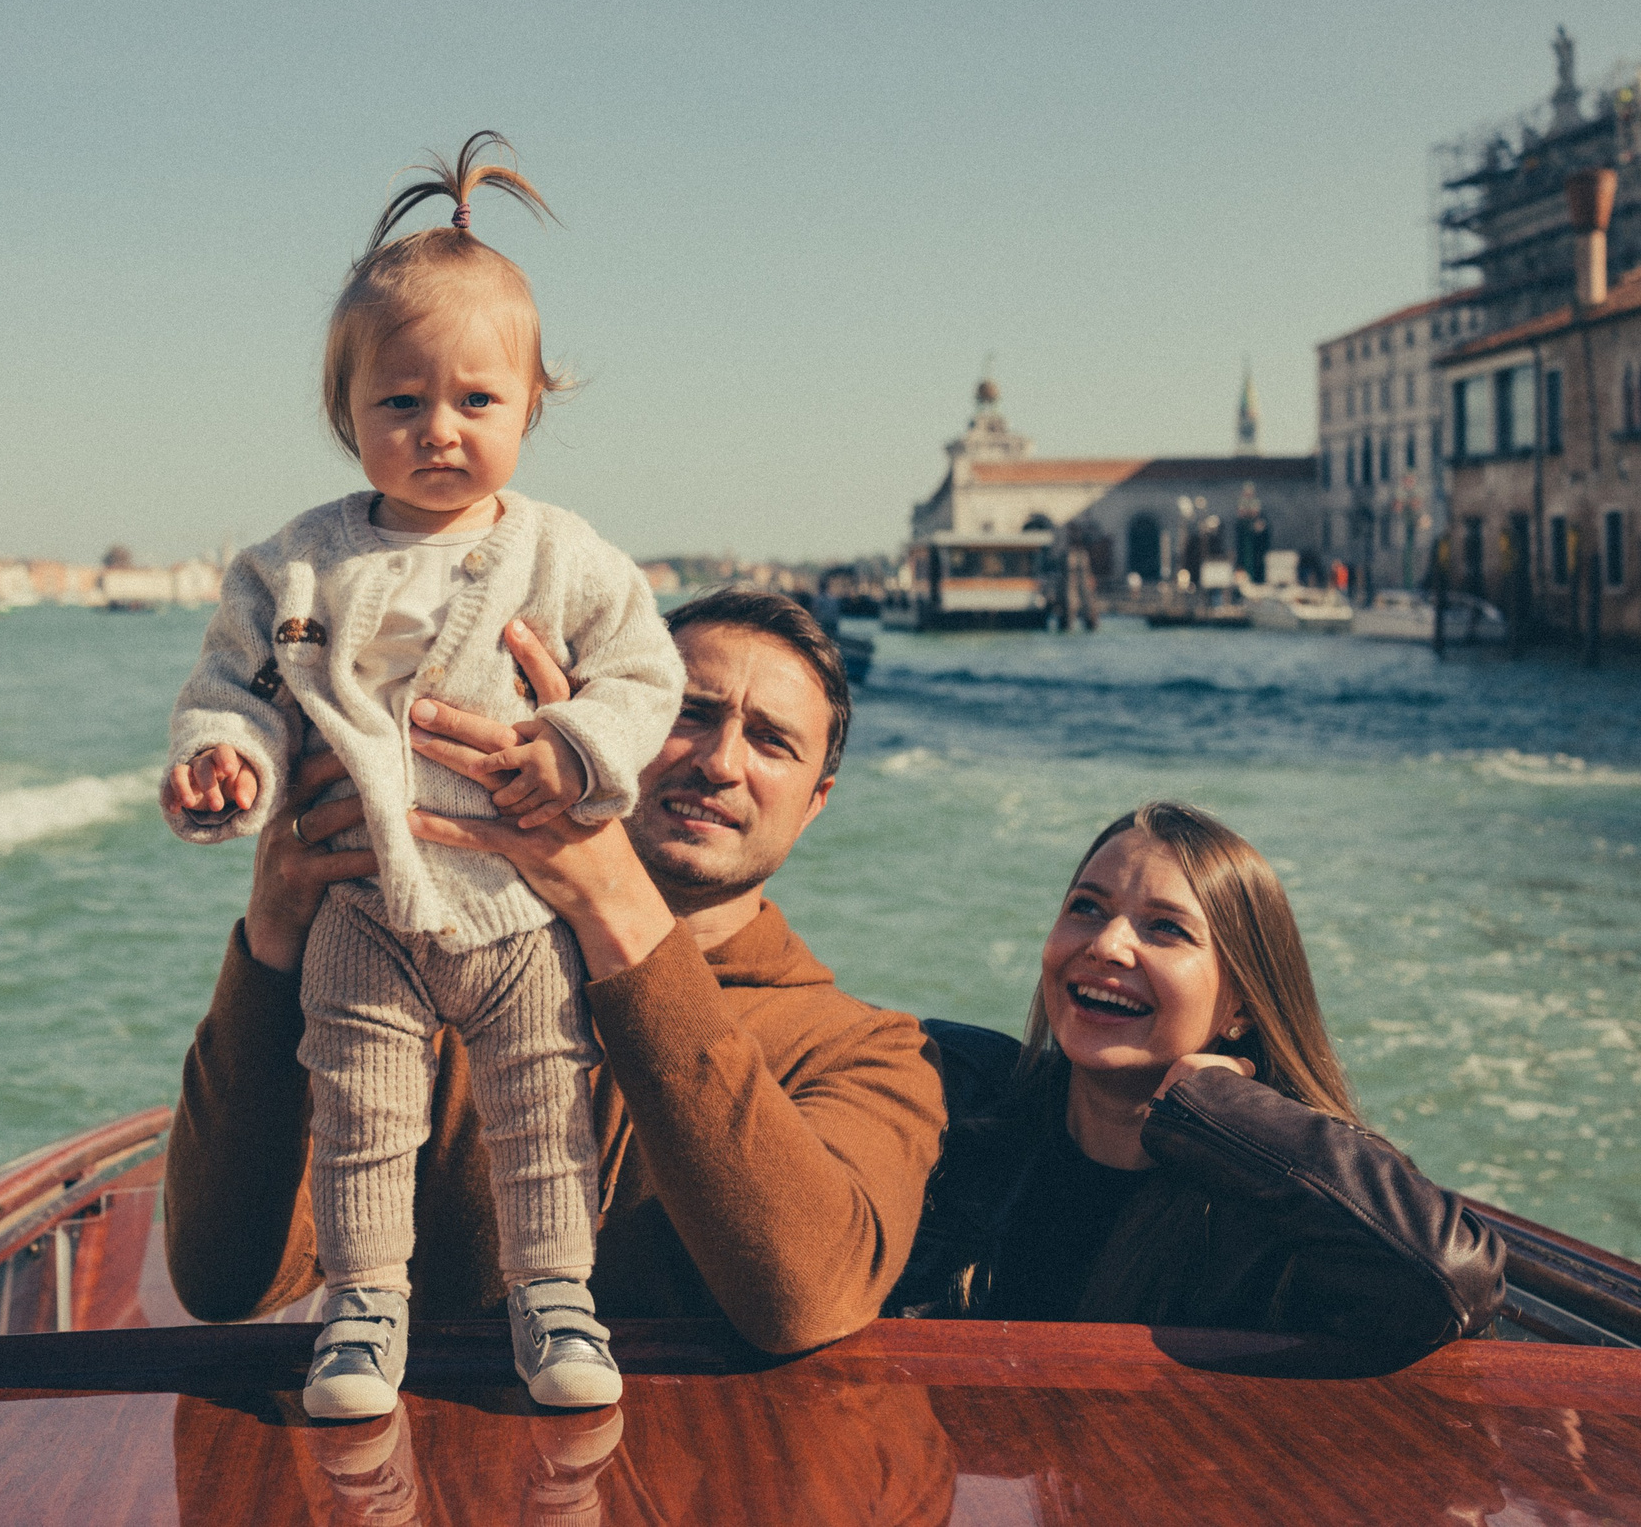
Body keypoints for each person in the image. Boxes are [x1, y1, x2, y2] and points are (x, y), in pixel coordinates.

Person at [160, 135, 687, 1417]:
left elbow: (641, 676)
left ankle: (555, 1299)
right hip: (362, 910)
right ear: (346, 414)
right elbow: (237, 686)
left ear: (530, 407)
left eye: (474, 403)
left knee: (542, 1108)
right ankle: (359, 1313)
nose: (436, 431)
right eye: (399, 403)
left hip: (515, 909)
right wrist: (224, 758)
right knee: (361, 1115)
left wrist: (574, 746)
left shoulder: (563, 556)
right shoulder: (295, 565)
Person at [163, 589, 947, 1380]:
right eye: (688, 712)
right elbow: (224, 1277)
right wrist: (273, 942)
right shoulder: (433, 982)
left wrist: (615, 902)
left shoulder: (872, 1051)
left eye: (773, 742)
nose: (720, 762)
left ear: (815, 805)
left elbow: (804, 1301)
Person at [887, 801, 1505, 1355]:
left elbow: (1449, 1279)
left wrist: (1219, 1110)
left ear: (1241, 1006)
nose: (1106, 944)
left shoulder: (1282, 1208)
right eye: (1086, 908)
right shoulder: (959, 1095)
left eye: (1166, 928)